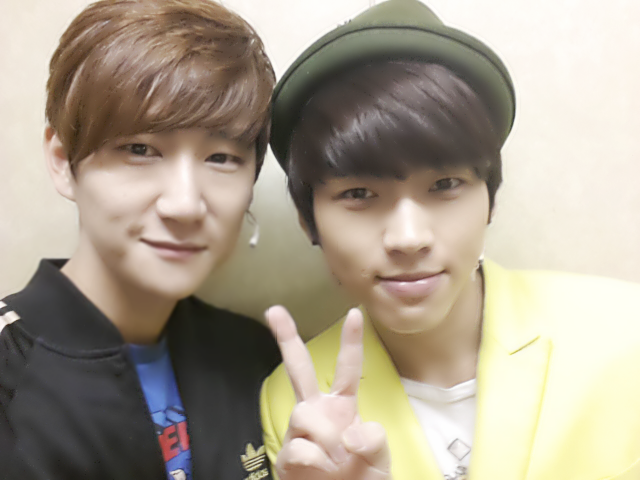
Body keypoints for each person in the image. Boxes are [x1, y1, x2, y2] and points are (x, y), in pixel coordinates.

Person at [260, 1, 640, 479]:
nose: (408, 238)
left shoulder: (626, 333)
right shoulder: (294, 404)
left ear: (490, 199)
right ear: (307, 219)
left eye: (444, 185)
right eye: (359, 194)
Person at [0, 1, 280, 479]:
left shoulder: (255, 357)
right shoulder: (10, 371)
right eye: (140, 149)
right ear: (63, 161)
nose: (185, 205)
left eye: (221, 158)